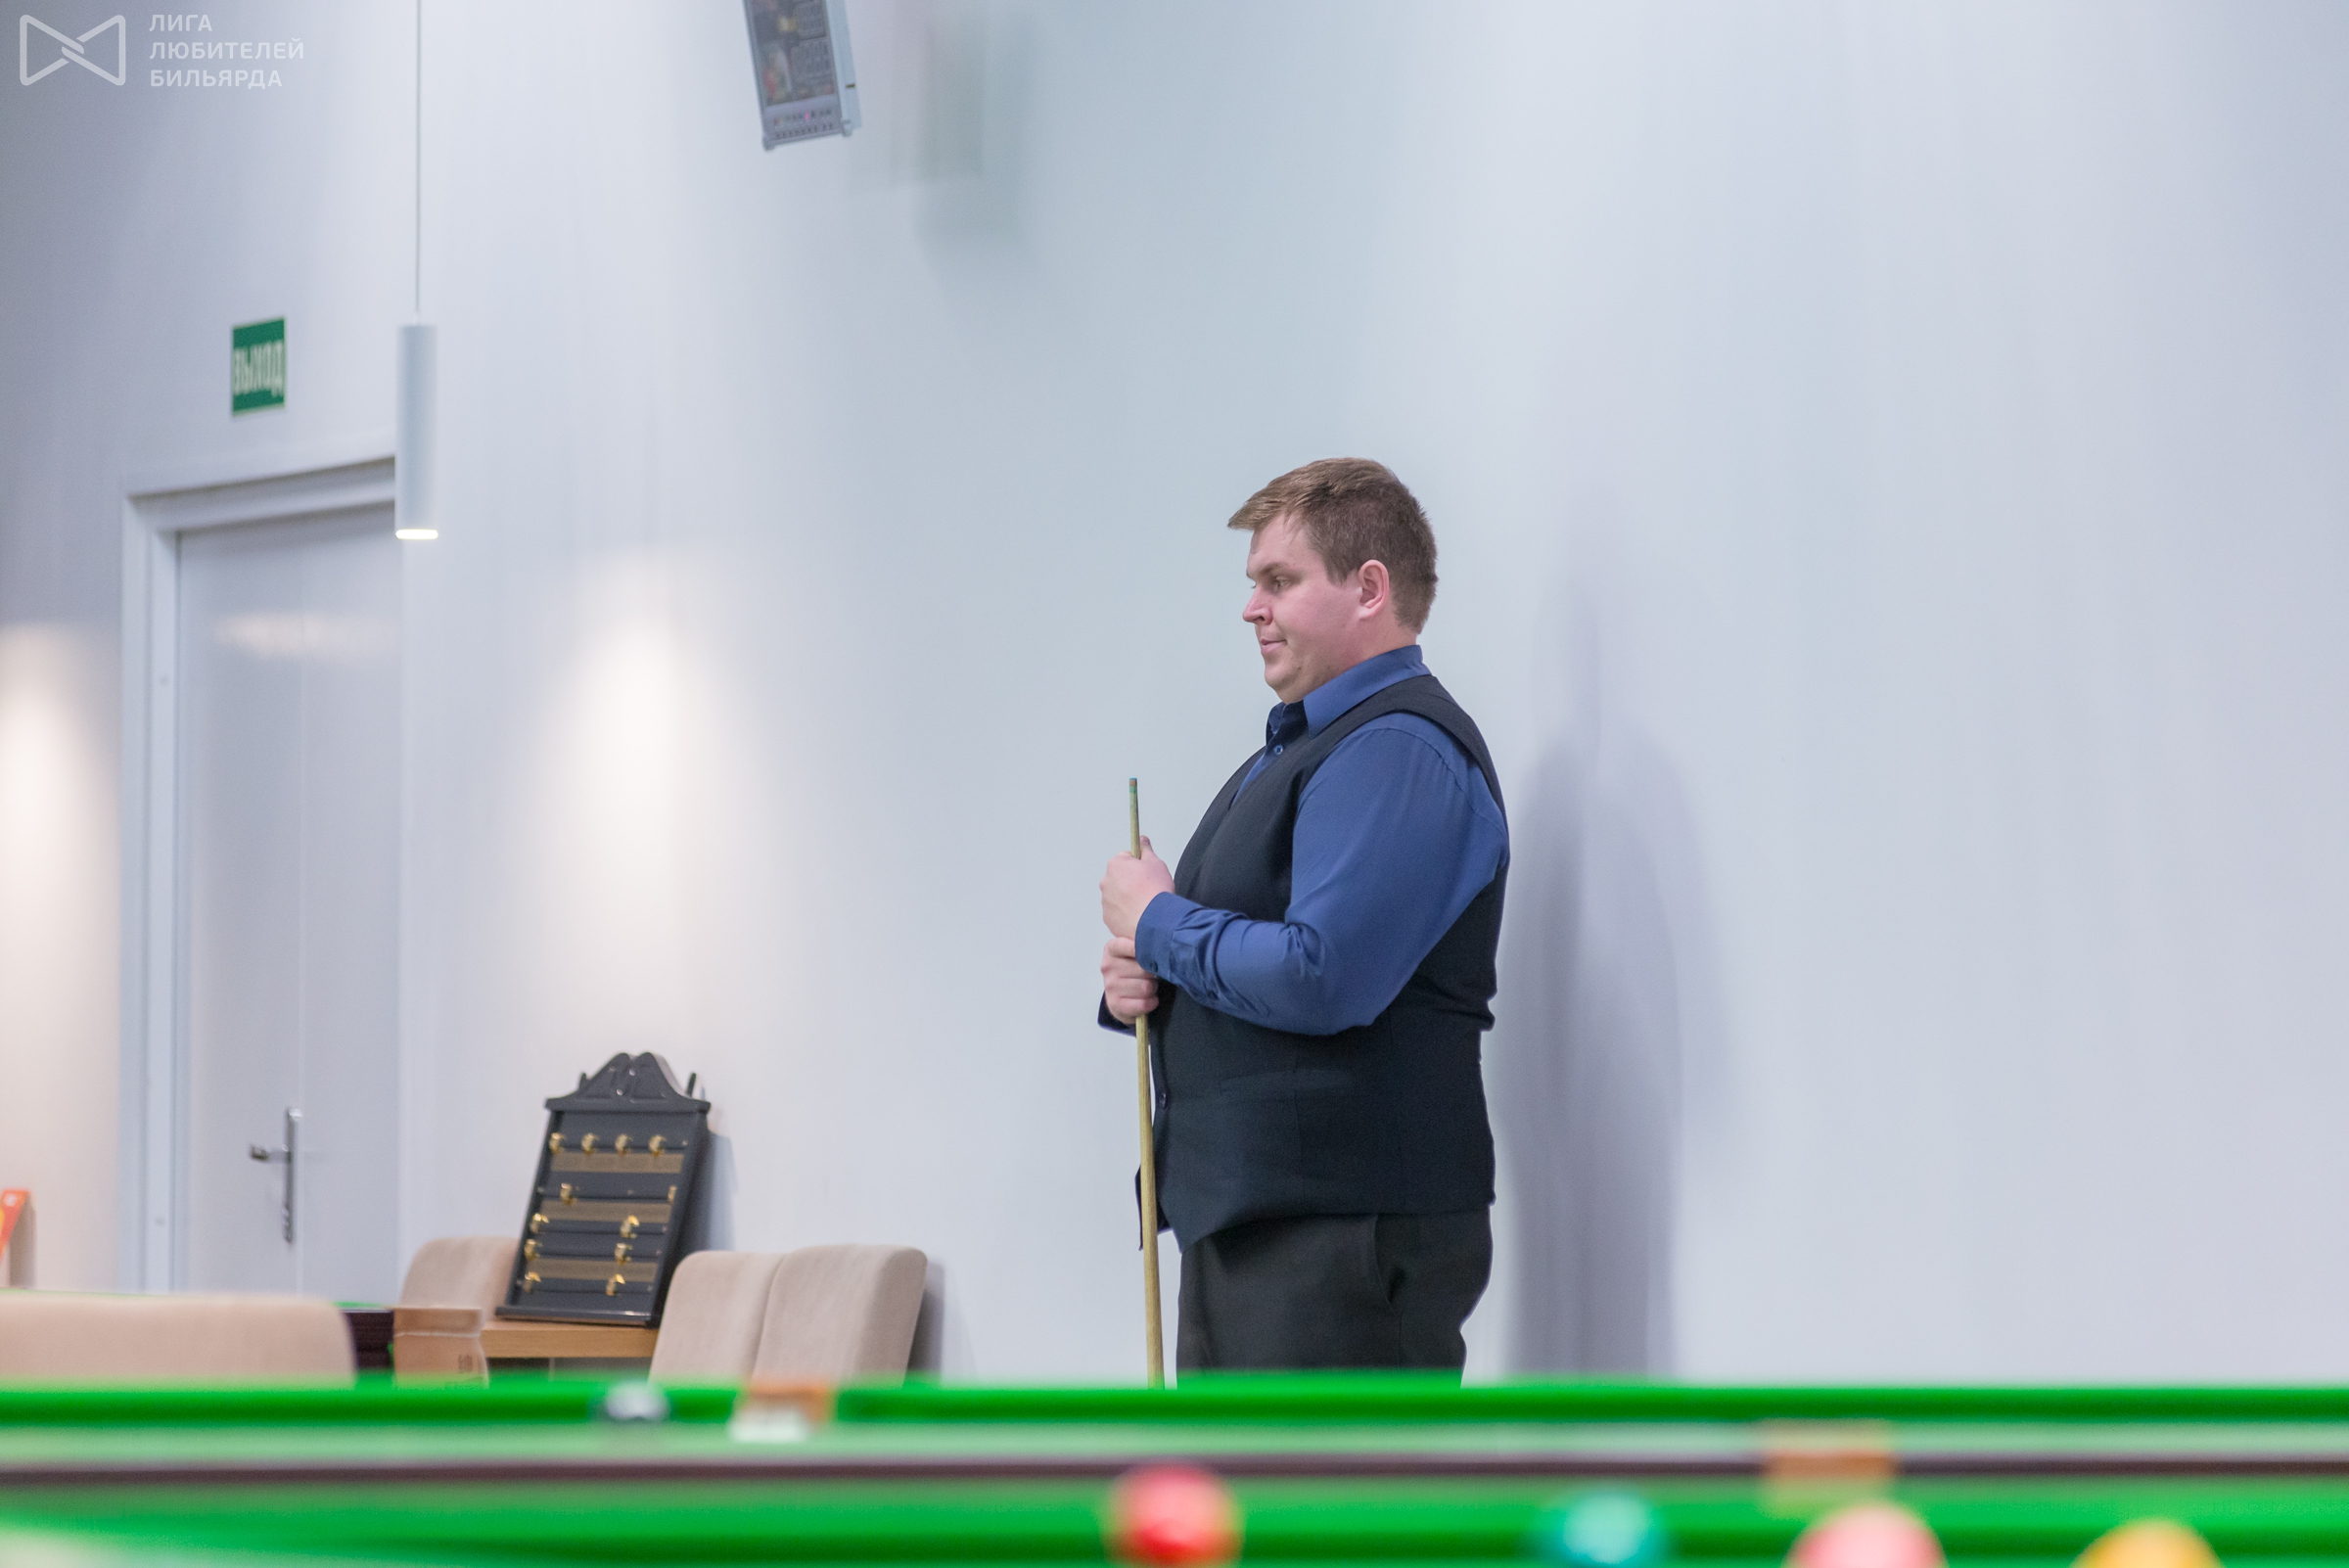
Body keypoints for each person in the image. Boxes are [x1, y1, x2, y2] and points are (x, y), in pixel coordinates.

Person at [1097, 457, 1509, 1374]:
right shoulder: (1303, 750)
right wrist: (1149, 977)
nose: (1253, 608)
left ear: (1370, 589)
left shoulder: (1397, 748)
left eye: (1279, 581)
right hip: (1265, 1230)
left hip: (1340, 1240)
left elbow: (1324, 975)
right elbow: (1263, 960)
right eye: (1254, 584)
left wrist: (1159, 923)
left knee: (1323, 1477)